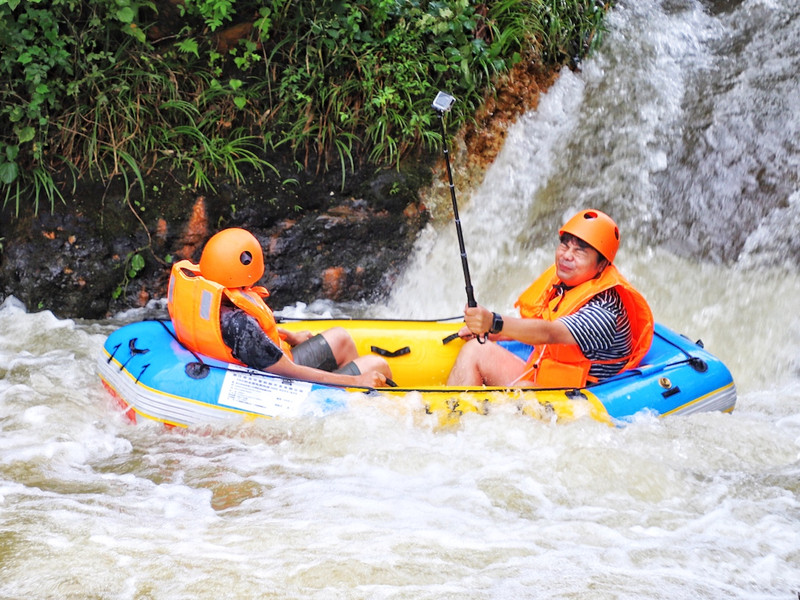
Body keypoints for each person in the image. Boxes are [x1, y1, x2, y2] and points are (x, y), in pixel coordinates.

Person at [447, 209, 654, 388]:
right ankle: (452, 418)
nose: (566, 255)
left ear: (601, 265)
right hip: (548, 377)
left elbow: (549, 333)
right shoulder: (565, 285)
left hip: (581, 396)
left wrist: (494, 322)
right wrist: (494, 334)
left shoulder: (604, 312)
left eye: (580, 251)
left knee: (523, 390)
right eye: (565, 245)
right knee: (476, 349)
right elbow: (541, 323)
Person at [167, 228, 392, 388]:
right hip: (278, 382)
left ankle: (352, 397)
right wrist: (356, 380)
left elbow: (251, 341)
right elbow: (288, 371)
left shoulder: (216, 300)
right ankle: (357, 396)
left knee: (341, 337)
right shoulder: (240, 324)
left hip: (263, 360)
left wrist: (289, 336)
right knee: (377, 364)